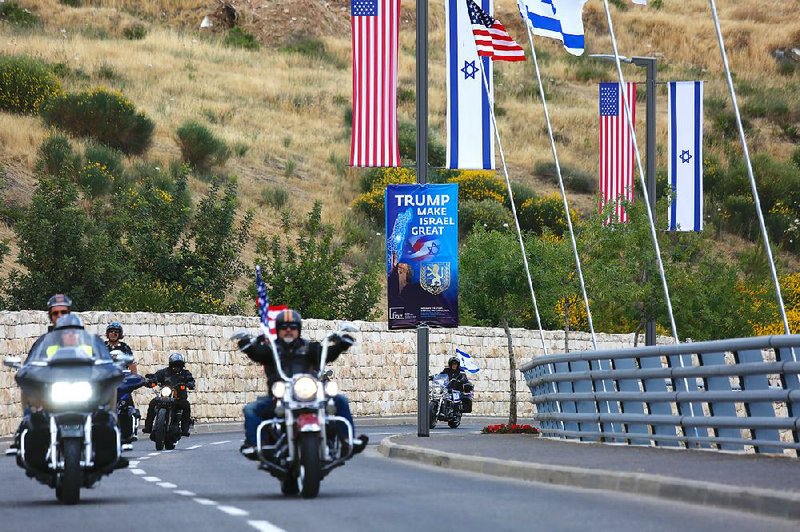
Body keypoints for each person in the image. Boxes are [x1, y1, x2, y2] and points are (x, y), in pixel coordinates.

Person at [236, 309, 368, 458]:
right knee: (250, 409)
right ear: (278, 330)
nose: (288, 330)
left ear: (298, 329)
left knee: (341, 401)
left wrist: (341, 345)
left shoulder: (309, 348)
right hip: (280, 397)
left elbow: (326, 354)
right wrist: (247, 346)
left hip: (309, 394)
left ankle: (347, 441)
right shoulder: (271, 350)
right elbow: (257, 353)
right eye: (284, 327)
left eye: (292, 327)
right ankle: (257, 446)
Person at [6, 294, 73, 456]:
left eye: (63, 312)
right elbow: (30, 365)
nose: (59, 316)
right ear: (50, 316)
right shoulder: (43, 342)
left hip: (80, 387)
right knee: (28, 389)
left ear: (69, 314)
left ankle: (113, 434)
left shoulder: (83, 340)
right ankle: (25, 425)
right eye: (55, 313)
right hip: (52, 389)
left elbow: (99, 362)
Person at [142, 352, 195, 437]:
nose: (176, 368)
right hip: (164, 397)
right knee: (153, 403)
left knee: (186, 405)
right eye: (174, 365)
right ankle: (148, 427)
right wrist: (150, 380)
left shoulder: (185, 373)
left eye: (178, 366)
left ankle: (185, 429)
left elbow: (190, 380)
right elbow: (155, 377)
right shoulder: (164, 372)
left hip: (179, 398)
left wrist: (190, 384)